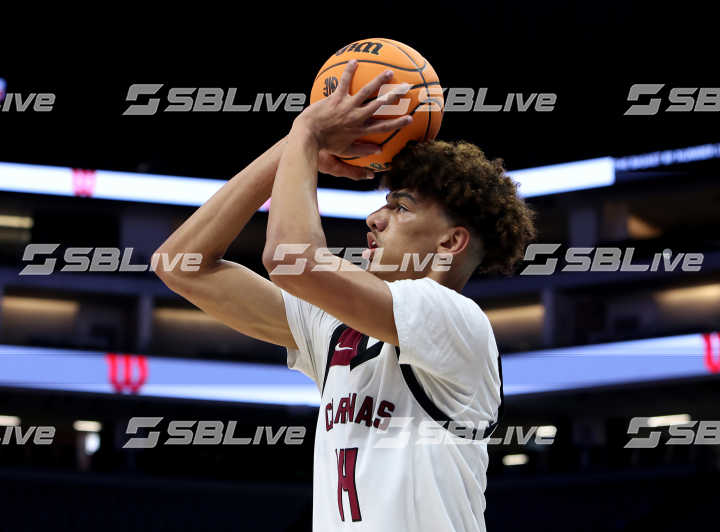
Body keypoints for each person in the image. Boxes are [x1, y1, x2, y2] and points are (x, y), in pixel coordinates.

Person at [155, 60, 536, 531]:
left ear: (450, 242)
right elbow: (180, 265)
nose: (375, 219)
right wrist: (291, 149)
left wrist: (308, 132)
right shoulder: (335, 327)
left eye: (400, 207)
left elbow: (289, 259)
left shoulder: (458, 322)